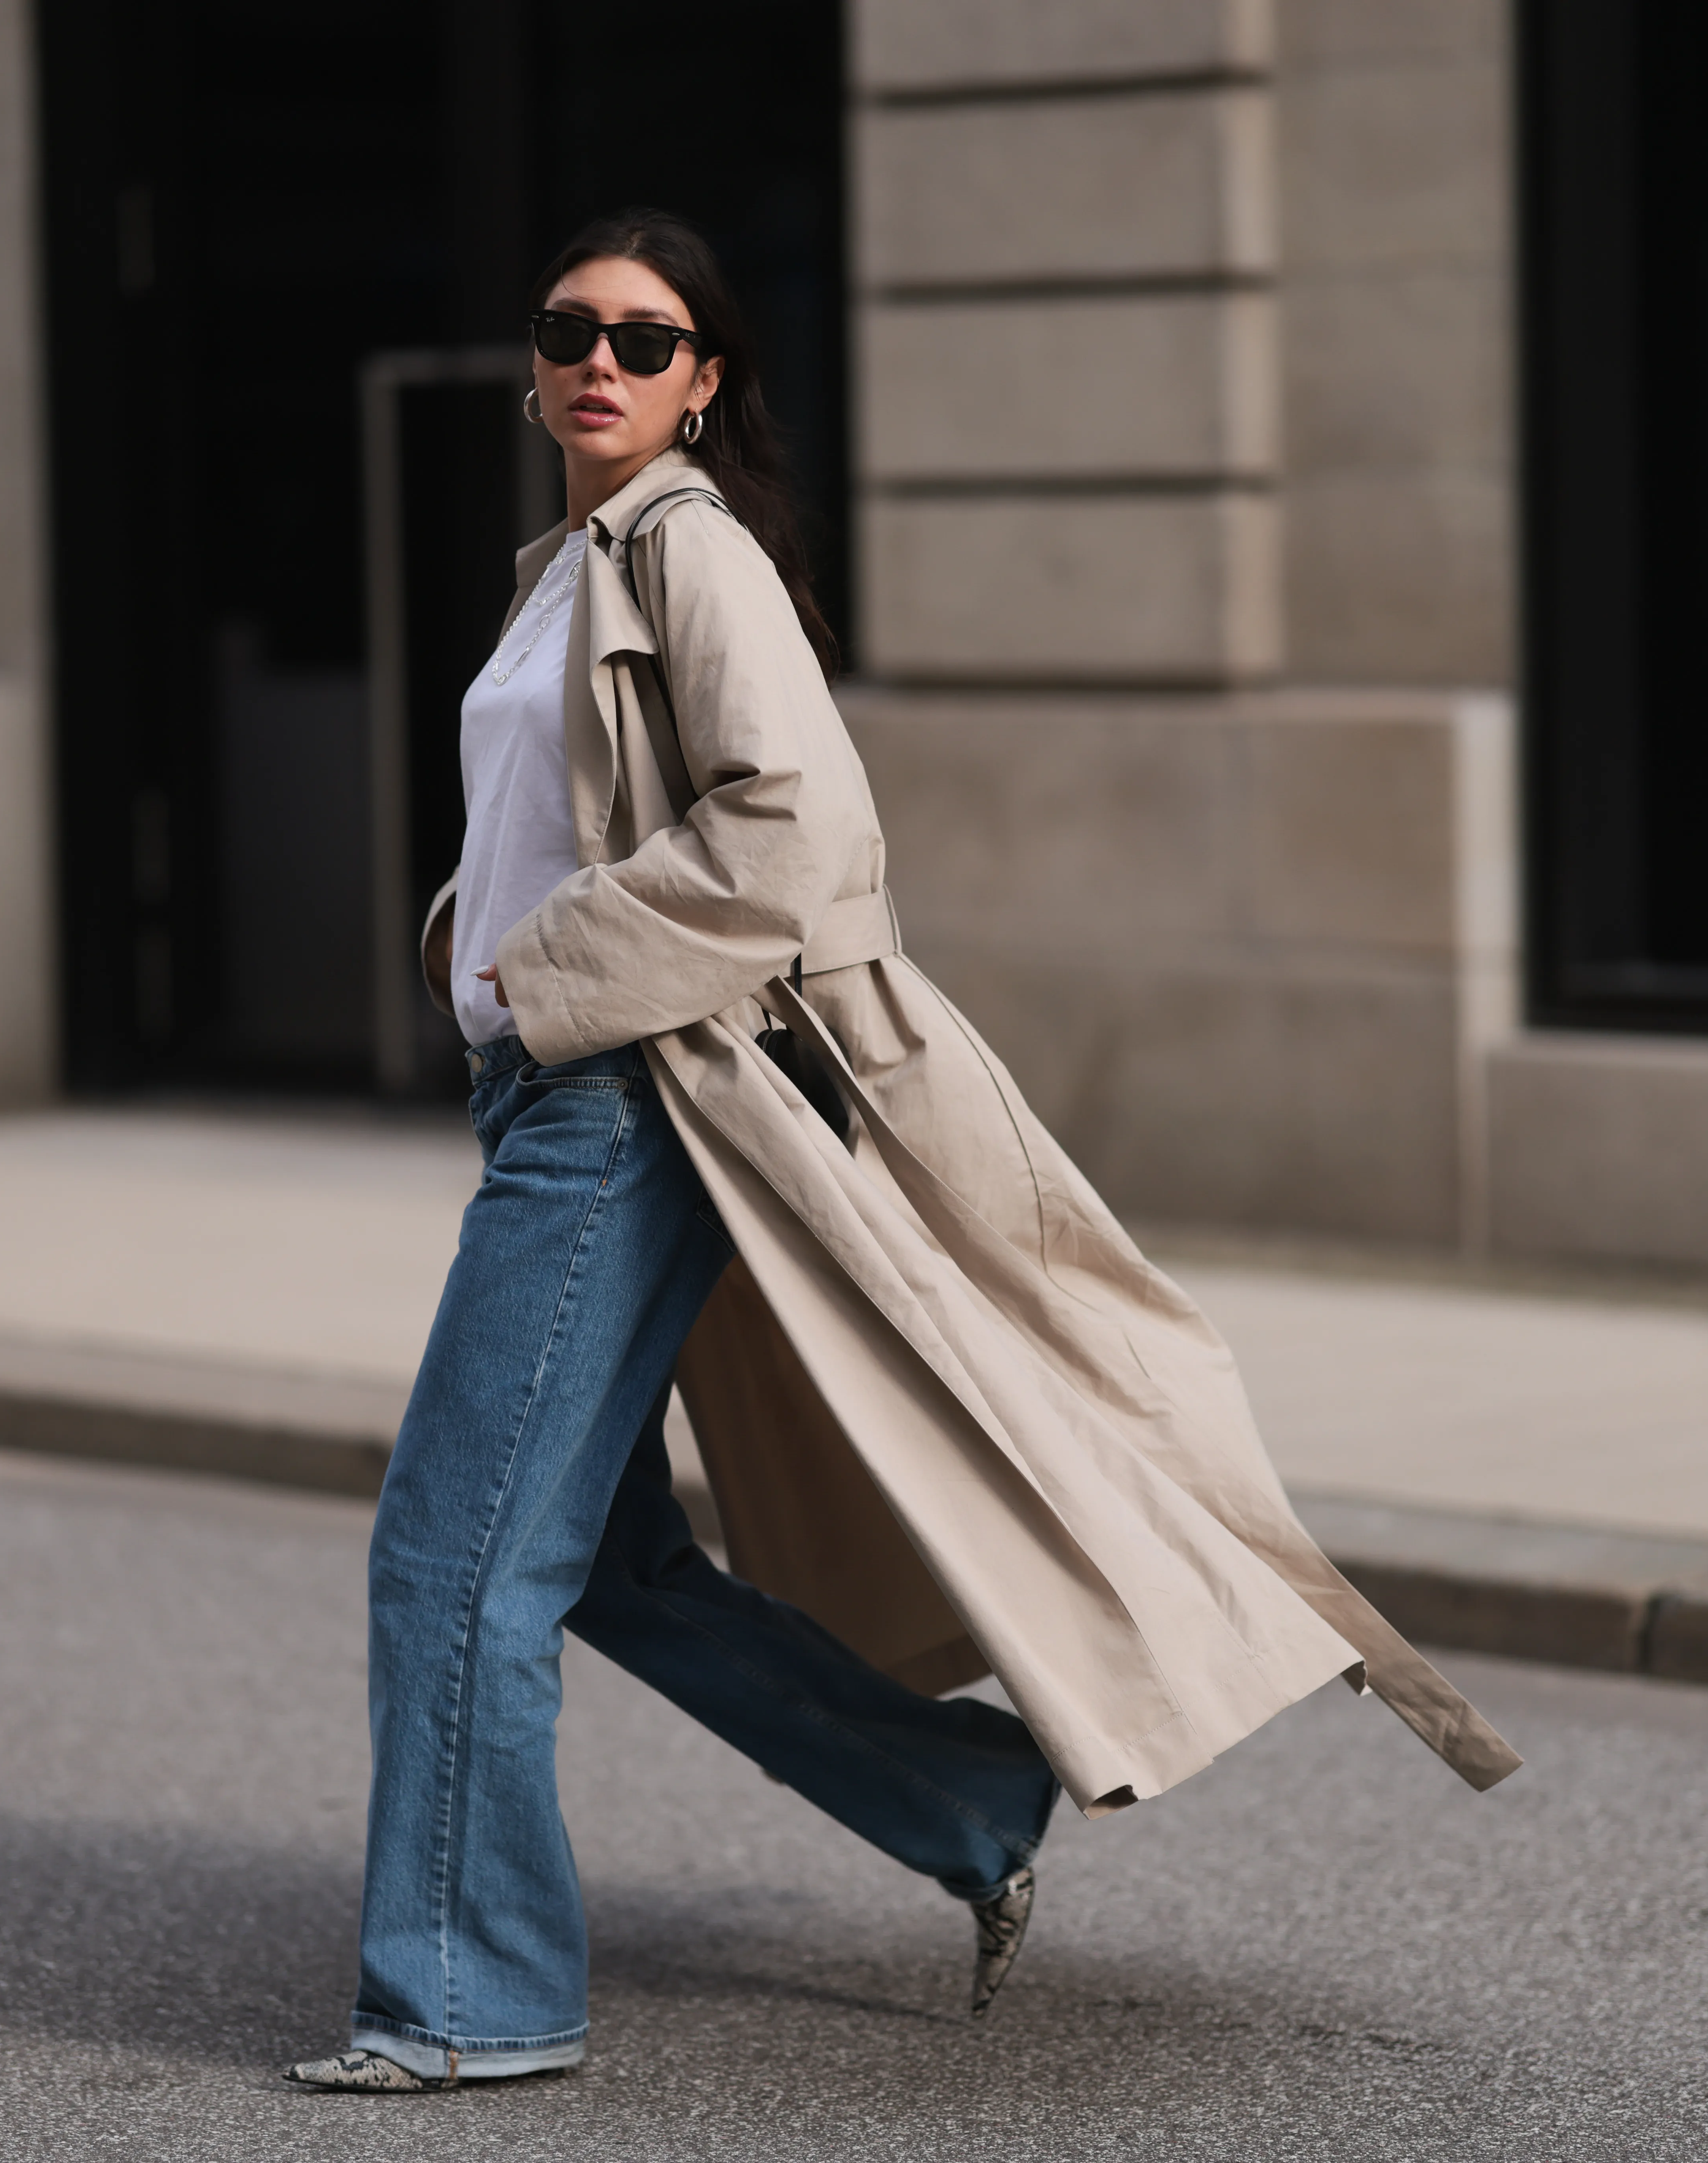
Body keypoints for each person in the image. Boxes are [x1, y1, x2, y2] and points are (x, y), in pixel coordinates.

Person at [288, 210, 1519, 2097]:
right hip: (552, 1083)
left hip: (618, 1101)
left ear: (704, 377)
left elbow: (794, 836)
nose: (598, 362)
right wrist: (465, 936)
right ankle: (962, 1790)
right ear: (532, 362)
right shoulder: (567, 563)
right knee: (592, 1563)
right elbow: (561, 820)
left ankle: (468, 1997)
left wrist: (526, 982)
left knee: (447, 1563)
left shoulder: (690, 555)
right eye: (567, 331)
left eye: (644, 338)